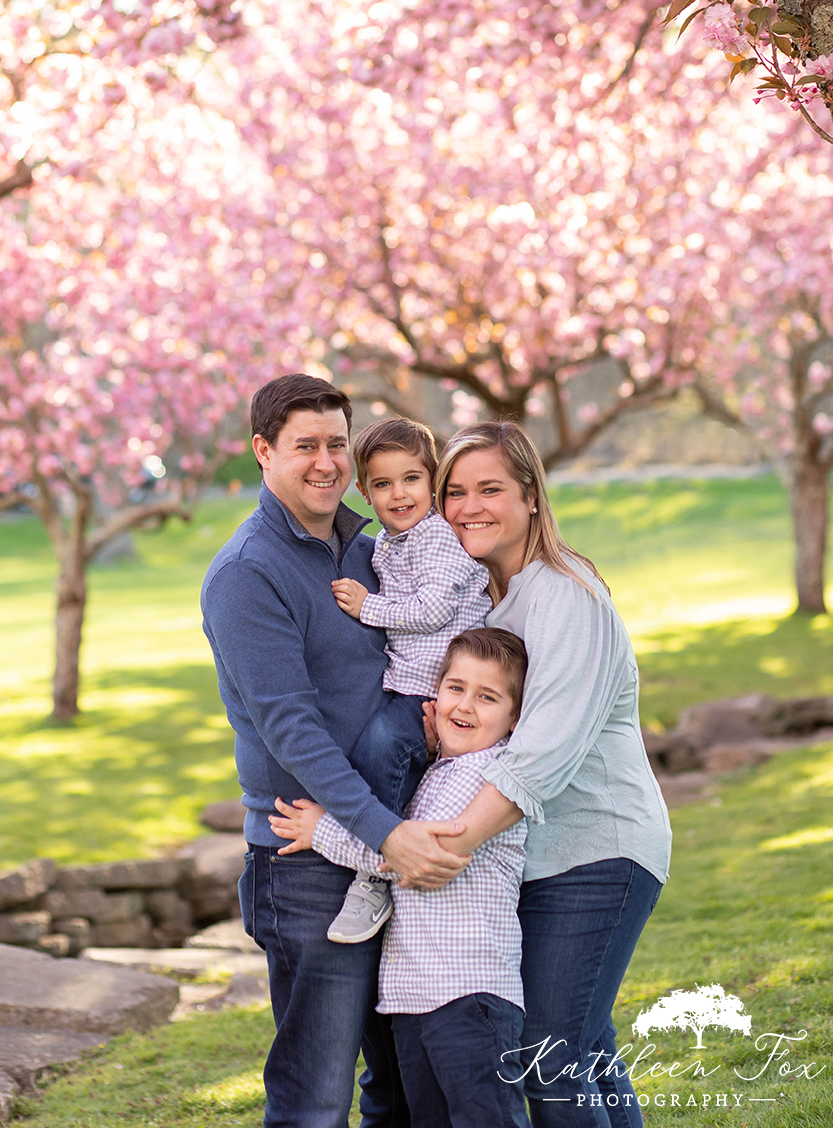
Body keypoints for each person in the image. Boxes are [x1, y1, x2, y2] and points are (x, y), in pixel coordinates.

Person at [200, 375, 471, 1128]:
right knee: (316, 1099)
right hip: (311, 859)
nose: (325, 464)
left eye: (334, 446)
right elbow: (290, 728)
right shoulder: (247, 573)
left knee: (409, 1087)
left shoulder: (375, 544)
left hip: (401, 843)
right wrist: (382, 835)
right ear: (262, 451)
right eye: (303, 447)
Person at [429, 421, 672, 1128]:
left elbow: (545, 752)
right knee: (584, 1049)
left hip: (597, 853)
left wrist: (449, 846)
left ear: (532, 496)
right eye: (453, 492)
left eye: (489, 489)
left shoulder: (565, 594)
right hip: (537, 861)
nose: (467, 506)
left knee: (546, 1056)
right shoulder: (489, 603)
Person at [269, 626, 532, 1128]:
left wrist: (323, 830)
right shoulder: (437, 773)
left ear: (514, 719)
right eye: (455, 688)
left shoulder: (489, 777)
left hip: (469, 993)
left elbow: (413, 859)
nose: (465, 706)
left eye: (488, 697)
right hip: (414, 1000)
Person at [326, 417, 491, 944]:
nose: (399, 494)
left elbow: (434, 608)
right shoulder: (391, 543)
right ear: (364, 492)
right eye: (382, 484)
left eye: (412, 479)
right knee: (376, 747)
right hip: (412, 681)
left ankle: (374, 872)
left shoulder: (438, 536)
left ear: (432, 479)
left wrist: (368, 607)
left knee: (382, 744)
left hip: (440, 685)